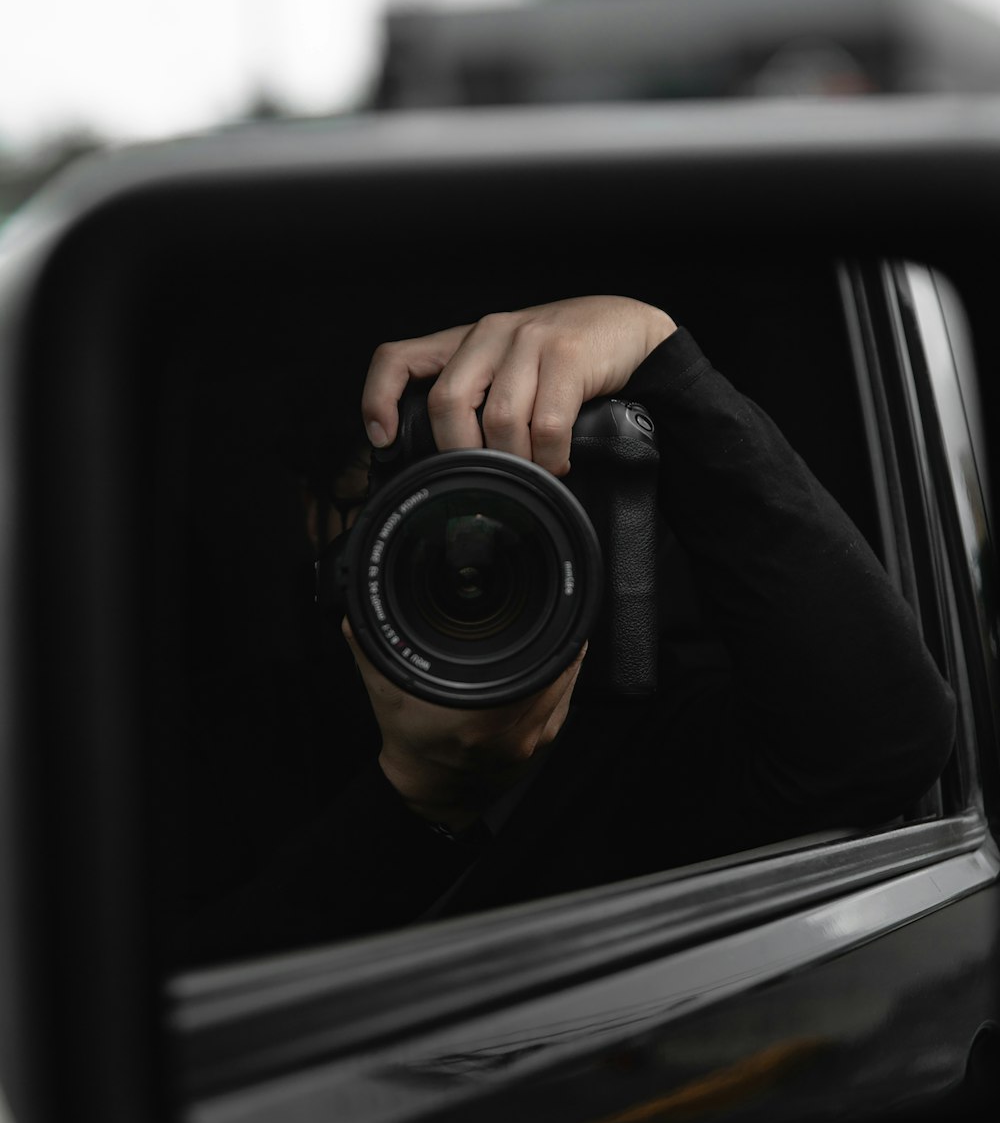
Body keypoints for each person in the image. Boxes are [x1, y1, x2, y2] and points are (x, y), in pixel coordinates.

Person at [173, 296, 956, 967]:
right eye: (424, 500)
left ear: (594, 529)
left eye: (521, 504)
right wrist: (416, 798)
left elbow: (883, 745)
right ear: (319, 520)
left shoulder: (645, 723)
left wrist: (661, 358)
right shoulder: (218, 745)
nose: (470, 554)